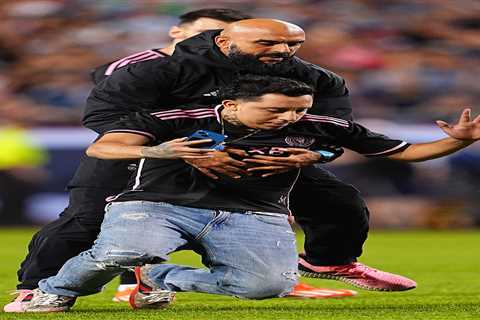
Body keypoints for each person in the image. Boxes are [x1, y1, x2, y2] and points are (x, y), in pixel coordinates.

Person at [17, 75, 480, 312]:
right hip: (158, 205)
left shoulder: (319, 125)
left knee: (266, 288)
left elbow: (404, 152)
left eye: (298, 110)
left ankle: (160, 278)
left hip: (253, 214)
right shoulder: (177, 118)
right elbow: (104, 146)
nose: (289, 119)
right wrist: (163, 150)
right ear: (232, 104)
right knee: (127, 248)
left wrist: (458, 140)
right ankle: (53, 292)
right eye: (276, 110)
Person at [82, 18, 414, 291]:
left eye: (291, 44)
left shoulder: (314, 77)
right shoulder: (157, 70)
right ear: (223, 41)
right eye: (268, 44)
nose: (282, 51)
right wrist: (192, 149)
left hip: (267, 157)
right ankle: (41, 285)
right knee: (85, 216)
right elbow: (106, 120)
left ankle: (328, 261)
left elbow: (334, 130)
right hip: (174, 155)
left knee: (340, 201)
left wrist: (311, 154)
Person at [5, 8, 252, 312]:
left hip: (188, 156)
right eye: (210, 33)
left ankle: (139, 284)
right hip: (129, 153)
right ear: (178, 33)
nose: (215, 42)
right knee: (86, 219)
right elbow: (110, 115)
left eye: (226, 37)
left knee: (163, 220)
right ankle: (33, 287)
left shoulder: (237, 70)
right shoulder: (138, 66)